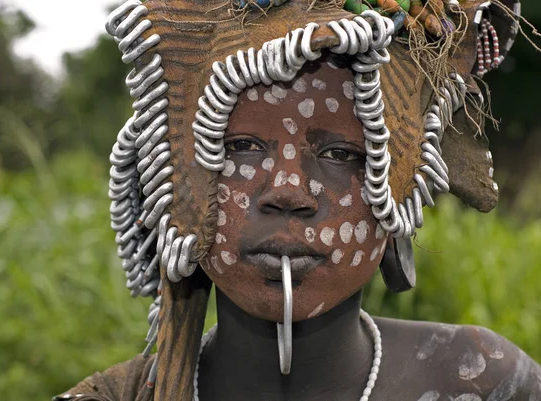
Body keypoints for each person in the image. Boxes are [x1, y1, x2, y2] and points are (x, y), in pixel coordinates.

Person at [55, 0, 541, 400]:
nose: (287, 192)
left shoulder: (484, 381)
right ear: (178, 185)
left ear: (400, 187)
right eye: (240, 149)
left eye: (340, 153)